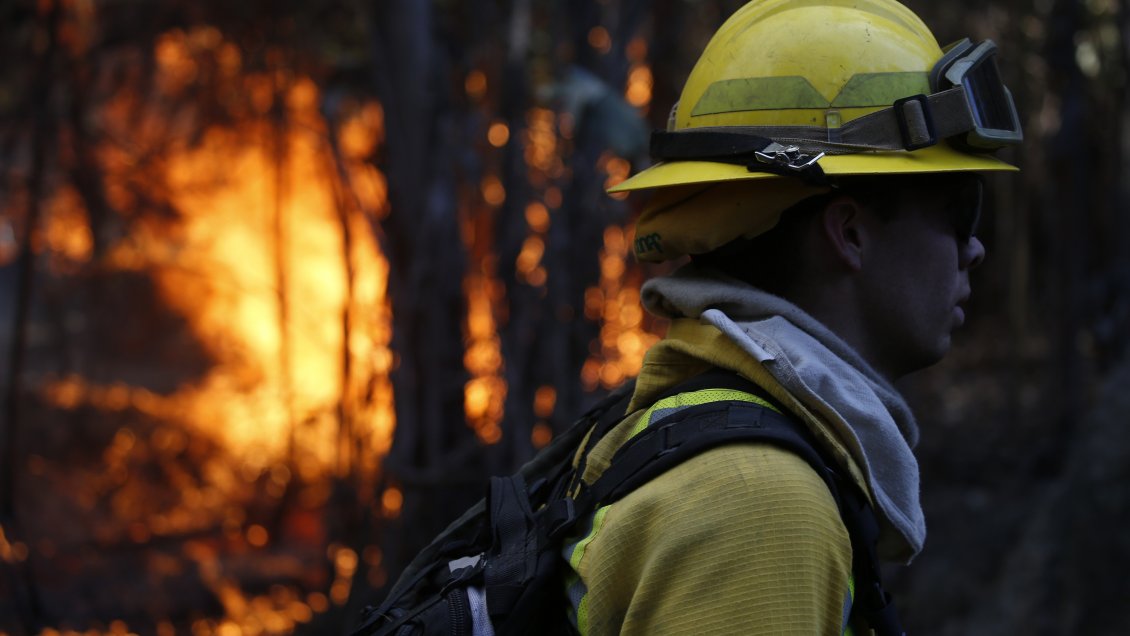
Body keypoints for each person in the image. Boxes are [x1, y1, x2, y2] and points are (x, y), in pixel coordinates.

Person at [559, 0, 1022, 634]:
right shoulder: (759, 504)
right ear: (850, 233)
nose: (975, 248)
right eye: (958, 210)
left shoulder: (685, 432)